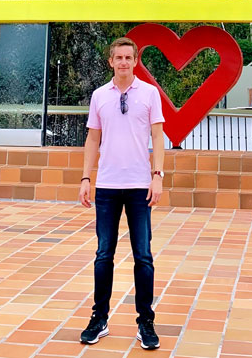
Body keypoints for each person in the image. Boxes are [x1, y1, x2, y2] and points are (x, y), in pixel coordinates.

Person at [79, 37, 165, 350]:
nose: (124, 62)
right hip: (108, 188)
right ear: (111, 62)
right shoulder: (100, 95)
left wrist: (157, 176)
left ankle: (146, 322)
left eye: (129, 57)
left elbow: (158, 136)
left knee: (143, 255)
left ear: (135, 61)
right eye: (119, 58)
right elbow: (92, 139)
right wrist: (87, 177)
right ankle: (99, 318)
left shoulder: (150, 94)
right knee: (104, 254)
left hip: (140, 186)